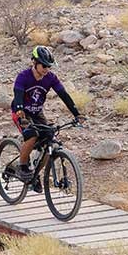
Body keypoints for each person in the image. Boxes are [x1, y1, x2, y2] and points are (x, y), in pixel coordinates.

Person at [11, 46, 82, 185]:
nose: (46, 69)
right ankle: (23, 166)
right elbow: (18, 94)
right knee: (33, 135)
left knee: (49, 138)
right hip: (22, 112)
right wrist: (20, 110)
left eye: (49, 66)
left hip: (37, 112)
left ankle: (34, 174)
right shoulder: (23, 76)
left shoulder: (50, 78)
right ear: (35, 62)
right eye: (44, 65)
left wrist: (77, 114)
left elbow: (64, 95)